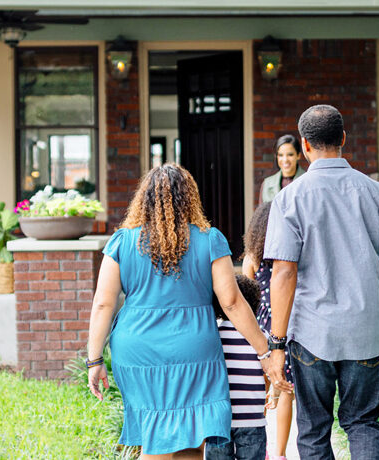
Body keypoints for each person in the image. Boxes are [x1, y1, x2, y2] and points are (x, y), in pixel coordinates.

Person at [86, 164, 288, 460]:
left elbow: (103, 303)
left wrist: (94, 359)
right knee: (192, 440)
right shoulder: (210, 239)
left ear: (144, 199)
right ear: (189, 197)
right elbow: (231, 301)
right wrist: (264, 352)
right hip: (194, 351)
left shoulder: (122, 242)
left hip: (138, 351)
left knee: (156, 438)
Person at [264, 105, 379, 459]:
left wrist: (277, 345)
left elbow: (283, 272)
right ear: (343, 139)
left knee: (313, 432)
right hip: (365, 332)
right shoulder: (378, 194)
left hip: (312, 335)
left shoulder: (289, 199)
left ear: (304, 146)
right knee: (364, 425)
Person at [241, 202, 294, 460]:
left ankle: (258, 448)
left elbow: (246, 296)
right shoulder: (289, 253)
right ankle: (280, 453)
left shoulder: (252, 257)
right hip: (286, 326)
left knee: (259, 389)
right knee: (285, 389)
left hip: (261, 329)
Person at [206, 275, 269, 460]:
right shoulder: (261, 338)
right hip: (253, 420)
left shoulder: (213, 338)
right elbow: (267, 375)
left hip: (219, 420)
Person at [259, 134, 306, 204]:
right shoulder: (267, 184)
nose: (285, 160)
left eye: (290, 154)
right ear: (277, 157)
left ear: (298, 155)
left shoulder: (307, 181)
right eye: (280, 155)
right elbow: (262, 213)